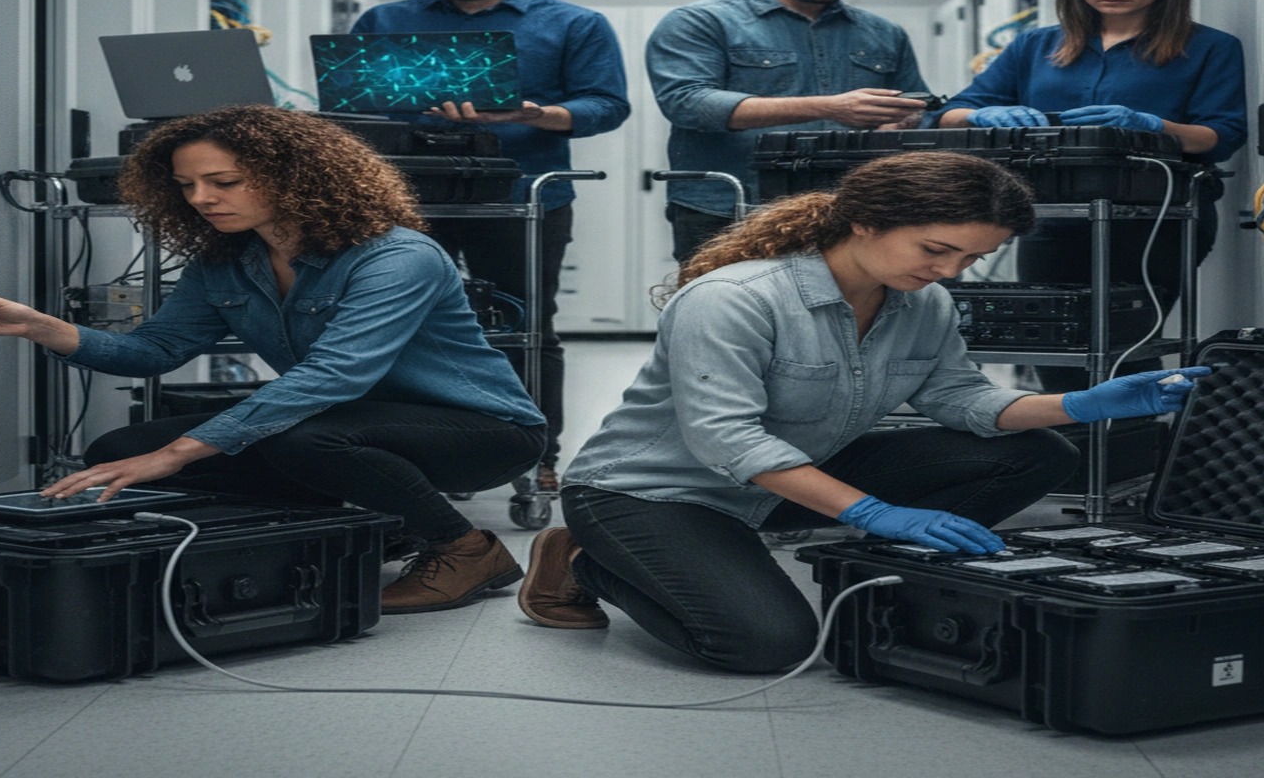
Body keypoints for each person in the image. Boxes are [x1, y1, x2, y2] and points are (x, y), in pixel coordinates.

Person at [511, 152, 1211, 671]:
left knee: (1041, 453)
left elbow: (959, 399)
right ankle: (587, 560)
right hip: (655, 491)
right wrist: (872, 512)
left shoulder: (922, 299)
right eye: (936, 249)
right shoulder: (737, 298)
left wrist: (1081, 403)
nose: (949, 272)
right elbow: (727, 439)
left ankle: (872, 577)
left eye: (971, 258)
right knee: (767, 646)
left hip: (795, 477)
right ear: (866, 222)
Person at [0, 106, 547, 615]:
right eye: (186, 186)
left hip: (482, 430)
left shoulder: (396, 256)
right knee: (117, 453)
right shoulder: (225, 261)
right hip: (349, 423)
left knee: (292, 440)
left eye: (224, 183)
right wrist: (42, 327)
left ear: (297, 177)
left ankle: (465, 548)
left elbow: (335, 375)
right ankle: (343, 533)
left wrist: (176, 453)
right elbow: (156, 350)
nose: (202, 199)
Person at [352, 0, 630, 493]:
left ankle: (536, 454)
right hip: (401, 199)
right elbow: (349, 106)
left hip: (522, 197)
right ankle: (413, 450)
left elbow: (606, 105)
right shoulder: (385, 21)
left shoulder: (572, 24)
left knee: (526, 327)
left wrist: (540, 114)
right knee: (394, 326)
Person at [938, 0, 1247, 393]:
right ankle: (1072, 452)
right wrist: (984, 114)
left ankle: (1123, 453)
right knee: (1055, 346)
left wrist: (1152, 124)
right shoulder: (1035, 46)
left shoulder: (1209, 46)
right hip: (1050, 216)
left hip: (1157, 221)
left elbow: (1221, 135)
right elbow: (947, 115)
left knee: (1124, 346)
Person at [647, 0, 942, 266]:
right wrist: (830, 107)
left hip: (850, 207)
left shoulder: (884, 34)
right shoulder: (702, 22)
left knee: (847, 317)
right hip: (731, 206)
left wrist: (902, 121)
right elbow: (688, 103)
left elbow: (920, 110)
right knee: (723, 315)